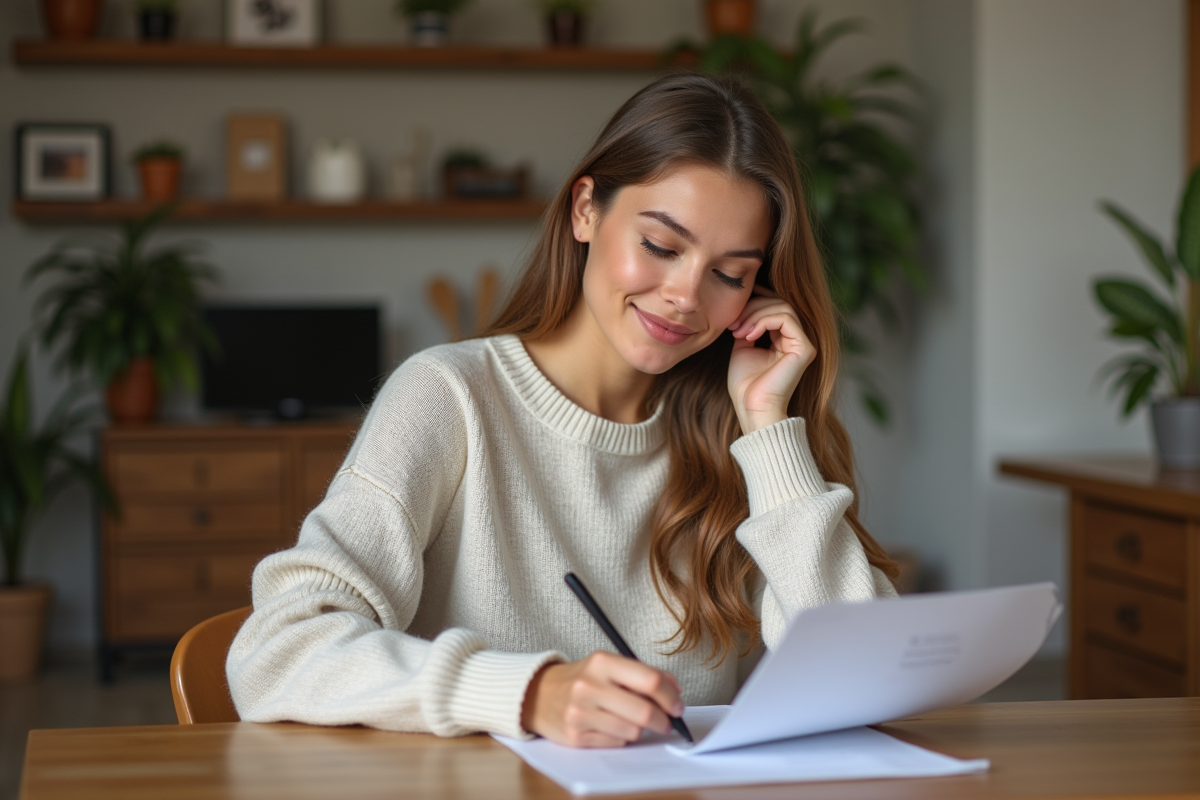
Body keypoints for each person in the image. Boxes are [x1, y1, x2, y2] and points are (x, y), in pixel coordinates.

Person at [227, 73, 899, 749]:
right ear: (586, 209)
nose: (685, 296)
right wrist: (528, 693)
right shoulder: (449, 397)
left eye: (730, 274)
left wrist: (770, 429)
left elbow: (864, 676)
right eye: (662, 247)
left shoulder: (740, 435)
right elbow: (277, 652)